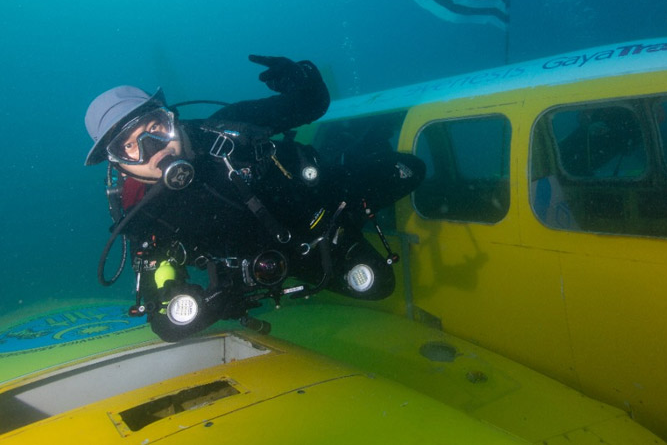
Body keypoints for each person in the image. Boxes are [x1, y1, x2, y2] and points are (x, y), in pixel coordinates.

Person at [84, 55, 424, 342]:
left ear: (170, 118)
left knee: (411, 169)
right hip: (254, 269)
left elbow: (311, 102)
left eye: (155, 129)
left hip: (324, 205)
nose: (152, 150)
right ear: (117, 164)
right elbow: (162, 306)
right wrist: (205, 301)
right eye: (129, 147)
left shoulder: (226, 128)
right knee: (379, 286)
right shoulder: (141, 210)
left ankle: (357, 154)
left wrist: (300, 77)